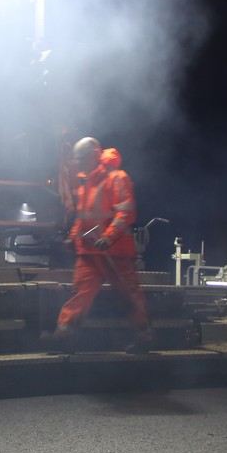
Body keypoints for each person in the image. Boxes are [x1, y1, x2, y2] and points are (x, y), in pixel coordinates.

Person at [49, 137, 155, 354]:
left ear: (94, 156)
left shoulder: (116, 178)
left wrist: (108, 237)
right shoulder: (88, 182)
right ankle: (63, 336)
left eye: (81, 158)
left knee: (129, 295)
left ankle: (144, 336)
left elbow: (125, 213)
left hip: (114, 252)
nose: (77, 163)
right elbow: (83, 218)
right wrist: (73, 238)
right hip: (91, 252)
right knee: (81, 294)